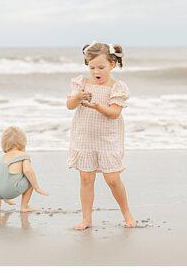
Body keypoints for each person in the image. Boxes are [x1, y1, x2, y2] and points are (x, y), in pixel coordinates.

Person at [66, 41, 135, 230]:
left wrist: (97, 106)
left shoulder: (117, 87)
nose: (96, 71)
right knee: (86, 179)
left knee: (112, 179)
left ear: (112, 64)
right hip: (85, 138)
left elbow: (114, 113)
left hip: (108, 139)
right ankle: (86, 219)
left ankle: (127, 213)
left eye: (101, 67)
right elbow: (70, 105)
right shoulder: (81, 83)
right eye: (92, 67)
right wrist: (78, 97)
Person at [0, 126, 47, 213]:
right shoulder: (23, 155)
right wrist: (37, 187)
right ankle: (24, 206)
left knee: (0, 177)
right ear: (23, 142)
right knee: (30, 180)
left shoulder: (3, 157)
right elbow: (28, 171)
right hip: (9, 191)